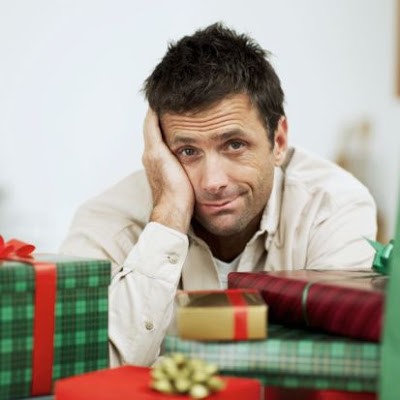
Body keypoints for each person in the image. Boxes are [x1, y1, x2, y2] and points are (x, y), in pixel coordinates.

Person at [60, 22, 377, 367]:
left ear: (279, 141)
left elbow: (334, 361)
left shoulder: (333, 206)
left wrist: (170, 342)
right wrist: (168, 215)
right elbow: (84, 368)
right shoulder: (107, 222)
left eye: (235, 145)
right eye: (187, 151)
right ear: (159, 150)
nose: (213, 181)